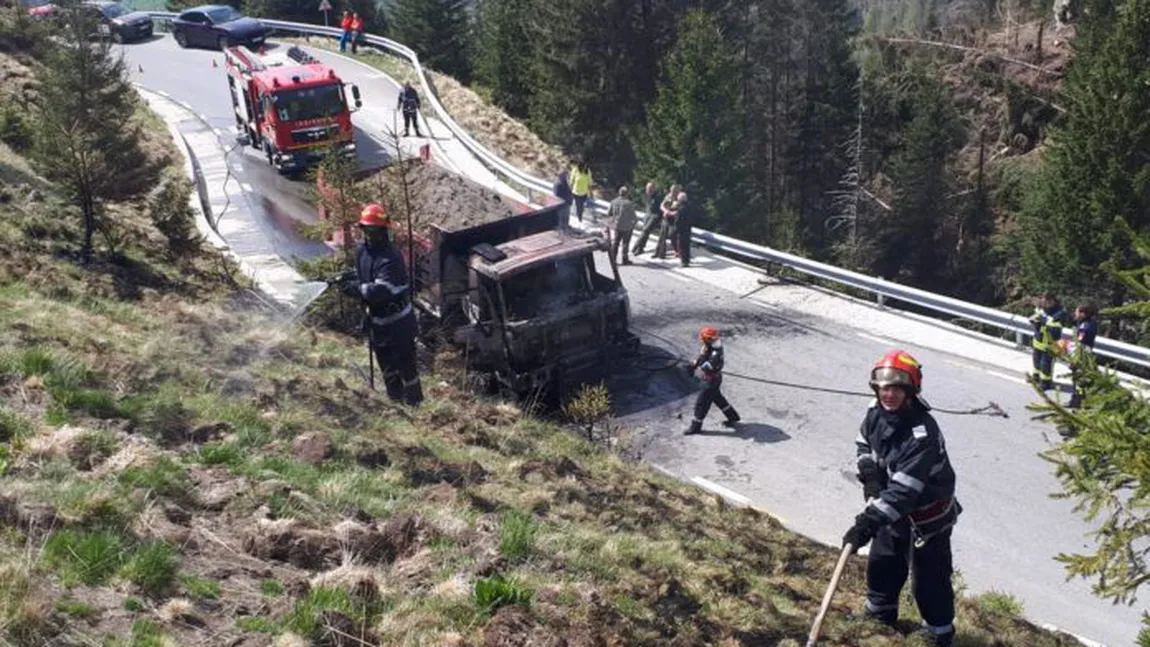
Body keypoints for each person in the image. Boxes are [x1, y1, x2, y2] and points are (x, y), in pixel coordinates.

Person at [844, 350, 960, 647]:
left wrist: (867, 523)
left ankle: (939, 633)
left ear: (910, 391)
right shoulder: (875, 412)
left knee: (929, 579)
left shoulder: (922, 435)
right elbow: (863, 444)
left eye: (896, 388)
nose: (889, 394)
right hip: (891, 510)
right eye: (883, 387)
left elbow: (905, 490)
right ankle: (880, 613)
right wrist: (869, 476)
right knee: (883, 561)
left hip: (927, 517)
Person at [342, 203, 424, 406]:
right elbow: (365, 275)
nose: (370, 235)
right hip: (377, 322)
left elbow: (381, 291)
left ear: (384, 230)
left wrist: (356, 289)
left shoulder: (391, 257)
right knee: (386, 366)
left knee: (407, 367)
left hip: (399, 323)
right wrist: (348, 279)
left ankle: (415, 404)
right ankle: (395, 403)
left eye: (375, 230)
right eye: (366, 230)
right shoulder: (362, 251)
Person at [684, 326, 740, 435]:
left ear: (708, 339)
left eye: (703, 338)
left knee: (702, 404)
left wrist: (697, 366)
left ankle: (696, 426)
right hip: (714, 379)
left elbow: (708, 365)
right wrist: (694, 364)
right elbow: (702, 357)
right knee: (717, 398)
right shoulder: (709, 346)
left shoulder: (716, 353)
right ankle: (733, 416)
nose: (701, 339)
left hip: (710, 381)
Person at [1029, 292, 1068, 390]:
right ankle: (1036, 377)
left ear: (1052, 301)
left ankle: (1045, 383)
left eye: (1046, 302)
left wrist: (1042, 320)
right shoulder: (1042, 309)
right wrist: (1034, 320)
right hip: (1038, 340)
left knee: (1045, 364)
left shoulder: (1060, 312)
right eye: (1042, 302)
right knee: (1036, 362)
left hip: (1050, 343)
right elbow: (1037, 316)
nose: (1044, 304)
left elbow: (1054, 325)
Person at [1065, 302, 1098, 409]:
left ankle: (1079, 402)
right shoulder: (1087, 323)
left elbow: (1080, 341)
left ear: (1083, 313)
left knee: (1080, 380)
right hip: (1081, 354)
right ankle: (1077, 400)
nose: (1075, 313)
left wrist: (1067, 345)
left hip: (1082, 355)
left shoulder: (1086, 326)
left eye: (1077, 311)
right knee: (1077, 379)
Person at [607, 186, 637, 265]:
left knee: (616, 243)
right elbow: (633, 216)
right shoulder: (629, 203)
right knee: (625, 243)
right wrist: (633, 224)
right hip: (627, 227)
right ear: (626, 194)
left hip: (617, 226)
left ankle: (613, 259)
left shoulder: (613, 202)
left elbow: (609, 213)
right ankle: (624, 259)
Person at [631, 182, 661, 256]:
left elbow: (659, 207)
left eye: (650, 188)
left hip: (655, 215)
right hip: (648, 214)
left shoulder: (658, 196)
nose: (648, 190)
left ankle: (637, 246)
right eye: (647, 188)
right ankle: (640, 248)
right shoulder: (646, 195)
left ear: (654, 188)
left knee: (646, 230)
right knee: (645, 232)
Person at [653, 185, 681, 259]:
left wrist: (671, 213)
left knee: (672, 235)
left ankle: (677, 251)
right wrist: (666, 211)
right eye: (671, 191)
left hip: (674, 220)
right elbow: (662, 205)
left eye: (674, 191)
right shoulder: (668, 196)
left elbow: (680, 210)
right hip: (666, 218)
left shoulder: (679, 198)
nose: (672, 193)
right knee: (662, 236)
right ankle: (659, 253)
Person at [674, 190, 693, 267]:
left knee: (681, 246)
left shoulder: (680, 209)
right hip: (688, 229)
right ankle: (687, 260)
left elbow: (677, 221)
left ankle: (683, 262)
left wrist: (676, 229)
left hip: (681, 230)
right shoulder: (689, 207)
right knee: (687, 245)